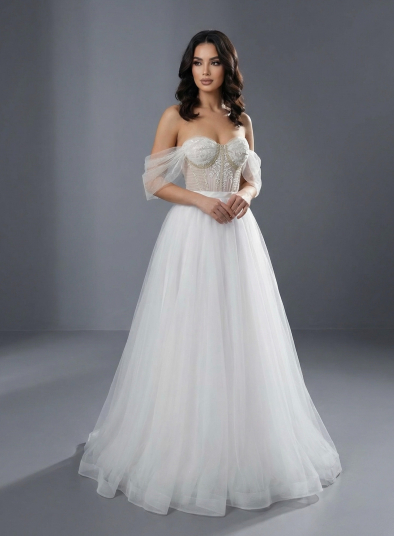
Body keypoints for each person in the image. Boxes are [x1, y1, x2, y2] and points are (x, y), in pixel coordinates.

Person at [78, 29, 342, 517]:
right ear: (189, 68)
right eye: (197, 62)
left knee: (243, 333)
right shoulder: (176, 116)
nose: (205, 70)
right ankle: (184, 443)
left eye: (214, 62)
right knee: (191, 333)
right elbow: (153, 181)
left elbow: (253, 177)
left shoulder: (242, 119)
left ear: (227, 68)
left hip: (238, 236)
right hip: (194, 234)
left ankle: (245, 443)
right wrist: (201, 201)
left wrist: (246, 195)